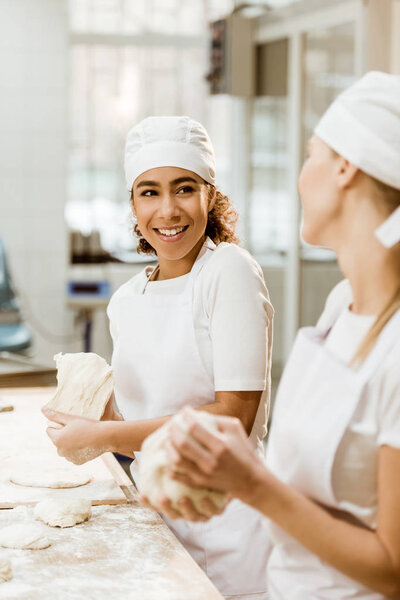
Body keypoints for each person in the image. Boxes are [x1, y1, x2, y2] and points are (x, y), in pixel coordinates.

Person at [154, 72, 400, 599]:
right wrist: (219, 477)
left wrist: (252, 484)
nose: (300, 174)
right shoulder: (341, 308)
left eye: (311, 153)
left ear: (345, 168)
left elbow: (394, 568)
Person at [44, 116, 274, 599]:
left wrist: (106, 434)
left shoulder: (228, 271)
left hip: (227, 527)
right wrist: (101, 421)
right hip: (156, 519)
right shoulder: (127, 298)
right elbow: (149, 427)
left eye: (184, 188)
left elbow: (232, 419)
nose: (167, 210)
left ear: (210, 195)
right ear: (132, 203)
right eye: (149, 192)